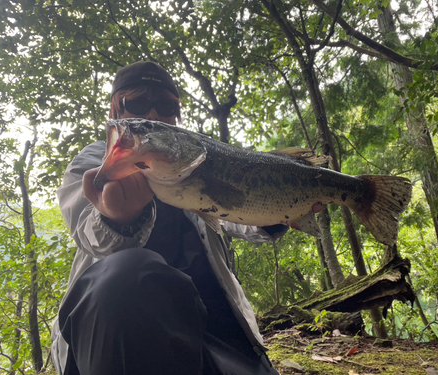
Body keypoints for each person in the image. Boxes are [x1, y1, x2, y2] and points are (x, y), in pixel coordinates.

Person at [51, 61, 290, 375]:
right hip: (120, 336)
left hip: (219, 334)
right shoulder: (94, 161)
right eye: (137, 103)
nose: (152, 114)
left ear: (176, 115)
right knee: (126, 276)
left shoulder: (195, 161)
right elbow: (86, 229)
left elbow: (240, 216)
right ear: (115, 108)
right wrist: (116, 219)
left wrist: (286, 202)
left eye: (165, 106)